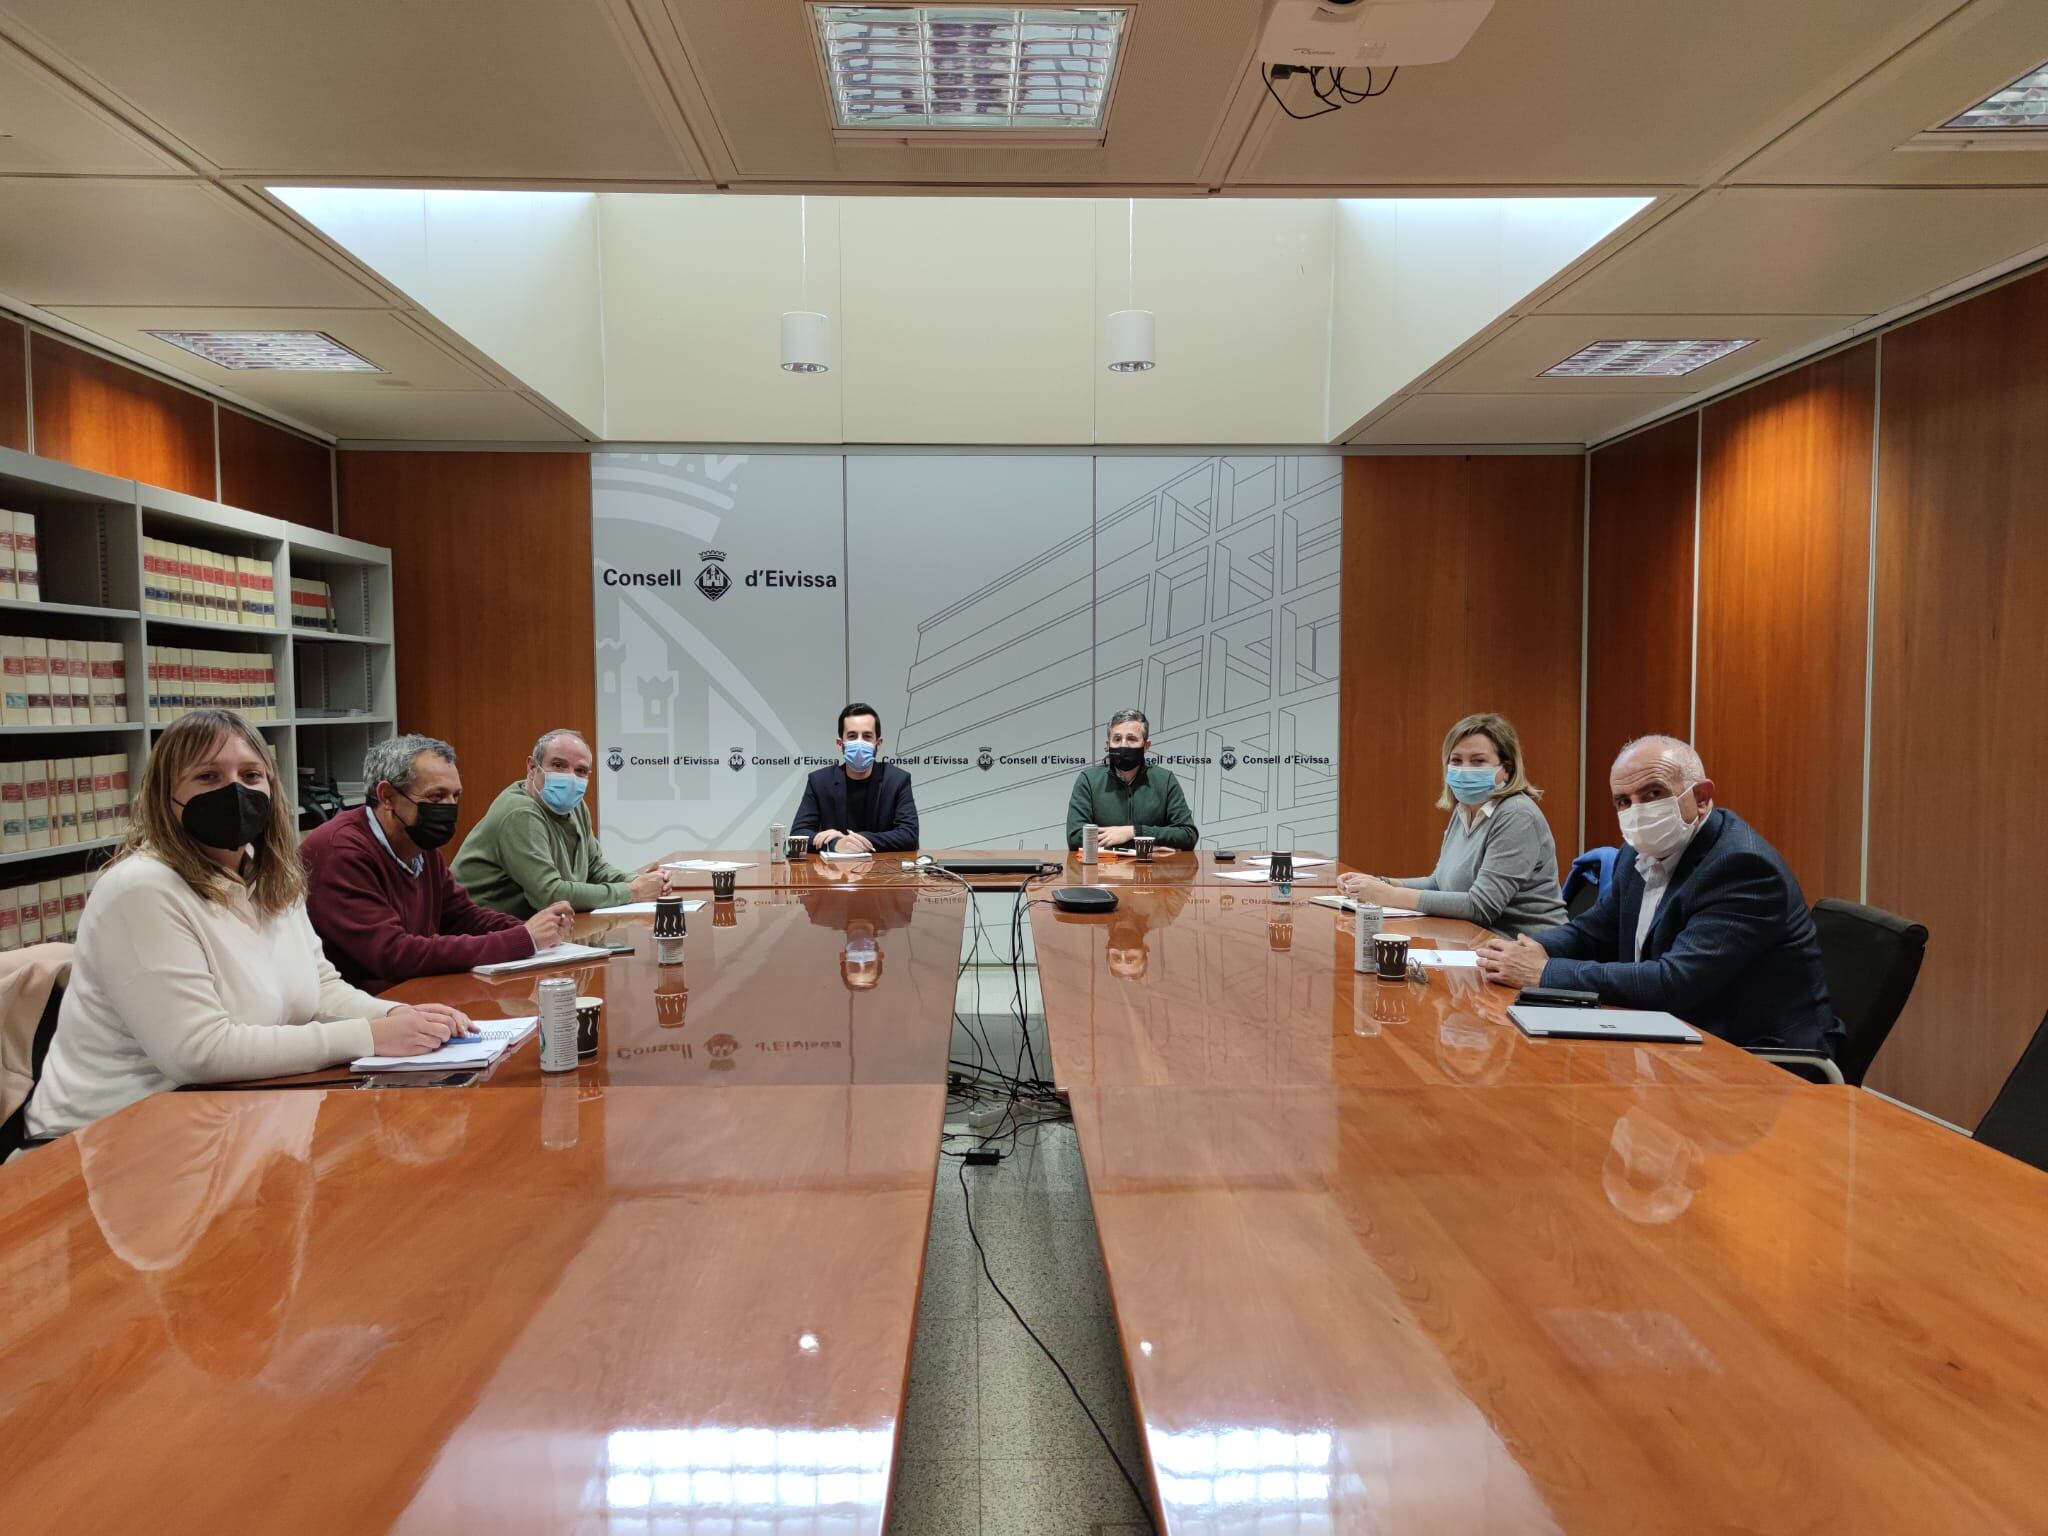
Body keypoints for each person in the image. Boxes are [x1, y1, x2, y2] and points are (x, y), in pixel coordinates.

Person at [25, 709, 470, 1141]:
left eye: (251, 776)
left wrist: (398, 1015)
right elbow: (199, 1052)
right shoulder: (140, 888)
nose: (235, 791)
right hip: (113, 1136)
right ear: (165, 793)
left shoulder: (268, 872)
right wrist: (369, 1036)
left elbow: (320, 987)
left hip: (225, 1115)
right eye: (208, 777)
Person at [1476, 735, 1835, 1053]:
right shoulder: (1639, 850)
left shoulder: (1742, 867)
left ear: (1702, 797)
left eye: (1653, 793)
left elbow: (1674, 981)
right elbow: (1597, 928)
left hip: (1750, 1054)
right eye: (1623, 801)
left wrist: (1545, 972)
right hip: (1673, 1032)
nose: (1638, 811)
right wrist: (1539, 948)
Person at [302, 734, 575, 994]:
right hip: (364, 1010)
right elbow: (394, 954)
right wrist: (523, 939)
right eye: (436, 797)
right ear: (386, 797)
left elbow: (462, 917)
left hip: (411, 995)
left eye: (455, 796)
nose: (448, 807)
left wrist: (535, 929)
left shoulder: (417, 841)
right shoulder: (341, 850)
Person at [1339, 712, 1567, 936]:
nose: (1465, 769)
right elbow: (1439, 883)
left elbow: (1481, 907)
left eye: (1478, 761)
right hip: (1474, 940)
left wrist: (1388, 895)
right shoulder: (1465, 808)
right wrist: (1380, 884)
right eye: (1456, 760)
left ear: (1506, 770)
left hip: (1527, 949)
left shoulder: (1517, 815)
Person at [452, 727, 666, 916]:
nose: (570, 778)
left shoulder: (576, 806)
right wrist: (633, 891)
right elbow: (551, 895)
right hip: (482, 933)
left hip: (533, 929)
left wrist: (637, 880)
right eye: (558, 765)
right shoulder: (519, 813)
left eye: (580, 770)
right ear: (532, 767)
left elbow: (594, 867)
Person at [789, 703, 919, 854]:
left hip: (884, 873)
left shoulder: (897, 780)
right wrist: (835, 844)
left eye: (867, 736)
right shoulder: (819, 781)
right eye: (852, 736)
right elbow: (798, 835)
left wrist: (851, 840)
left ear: (878, 744)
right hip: (835, 874)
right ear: (840, 744)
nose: (859, 742)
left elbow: (909, 835)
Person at [1065, 708, 1198, 852]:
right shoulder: (1088, 780)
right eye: (1117, 739)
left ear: (1146, 746)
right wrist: (1146, 845)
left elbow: (1188, 835)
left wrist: (1134, 832)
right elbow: (1076, 837)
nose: (1124, 745)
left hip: (1152, 871)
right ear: (1108, 744)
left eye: (1132, 739)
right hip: (1103, 870)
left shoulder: (1165, 780)